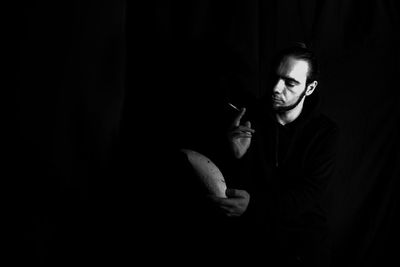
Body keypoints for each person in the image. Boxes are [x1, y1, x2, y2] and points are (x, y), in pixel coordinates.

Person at [206, 43, 339, 266]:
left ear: (310, 88)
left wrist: (254, 207)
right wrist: (234, 154)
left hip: (301, 245)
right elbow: (226, 186)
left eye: (290, 82)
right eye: (275, 77)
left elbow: (308, 194)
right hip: (252, 241)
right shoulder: (246, 119)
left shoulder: (324, 133)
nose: (277, 88)